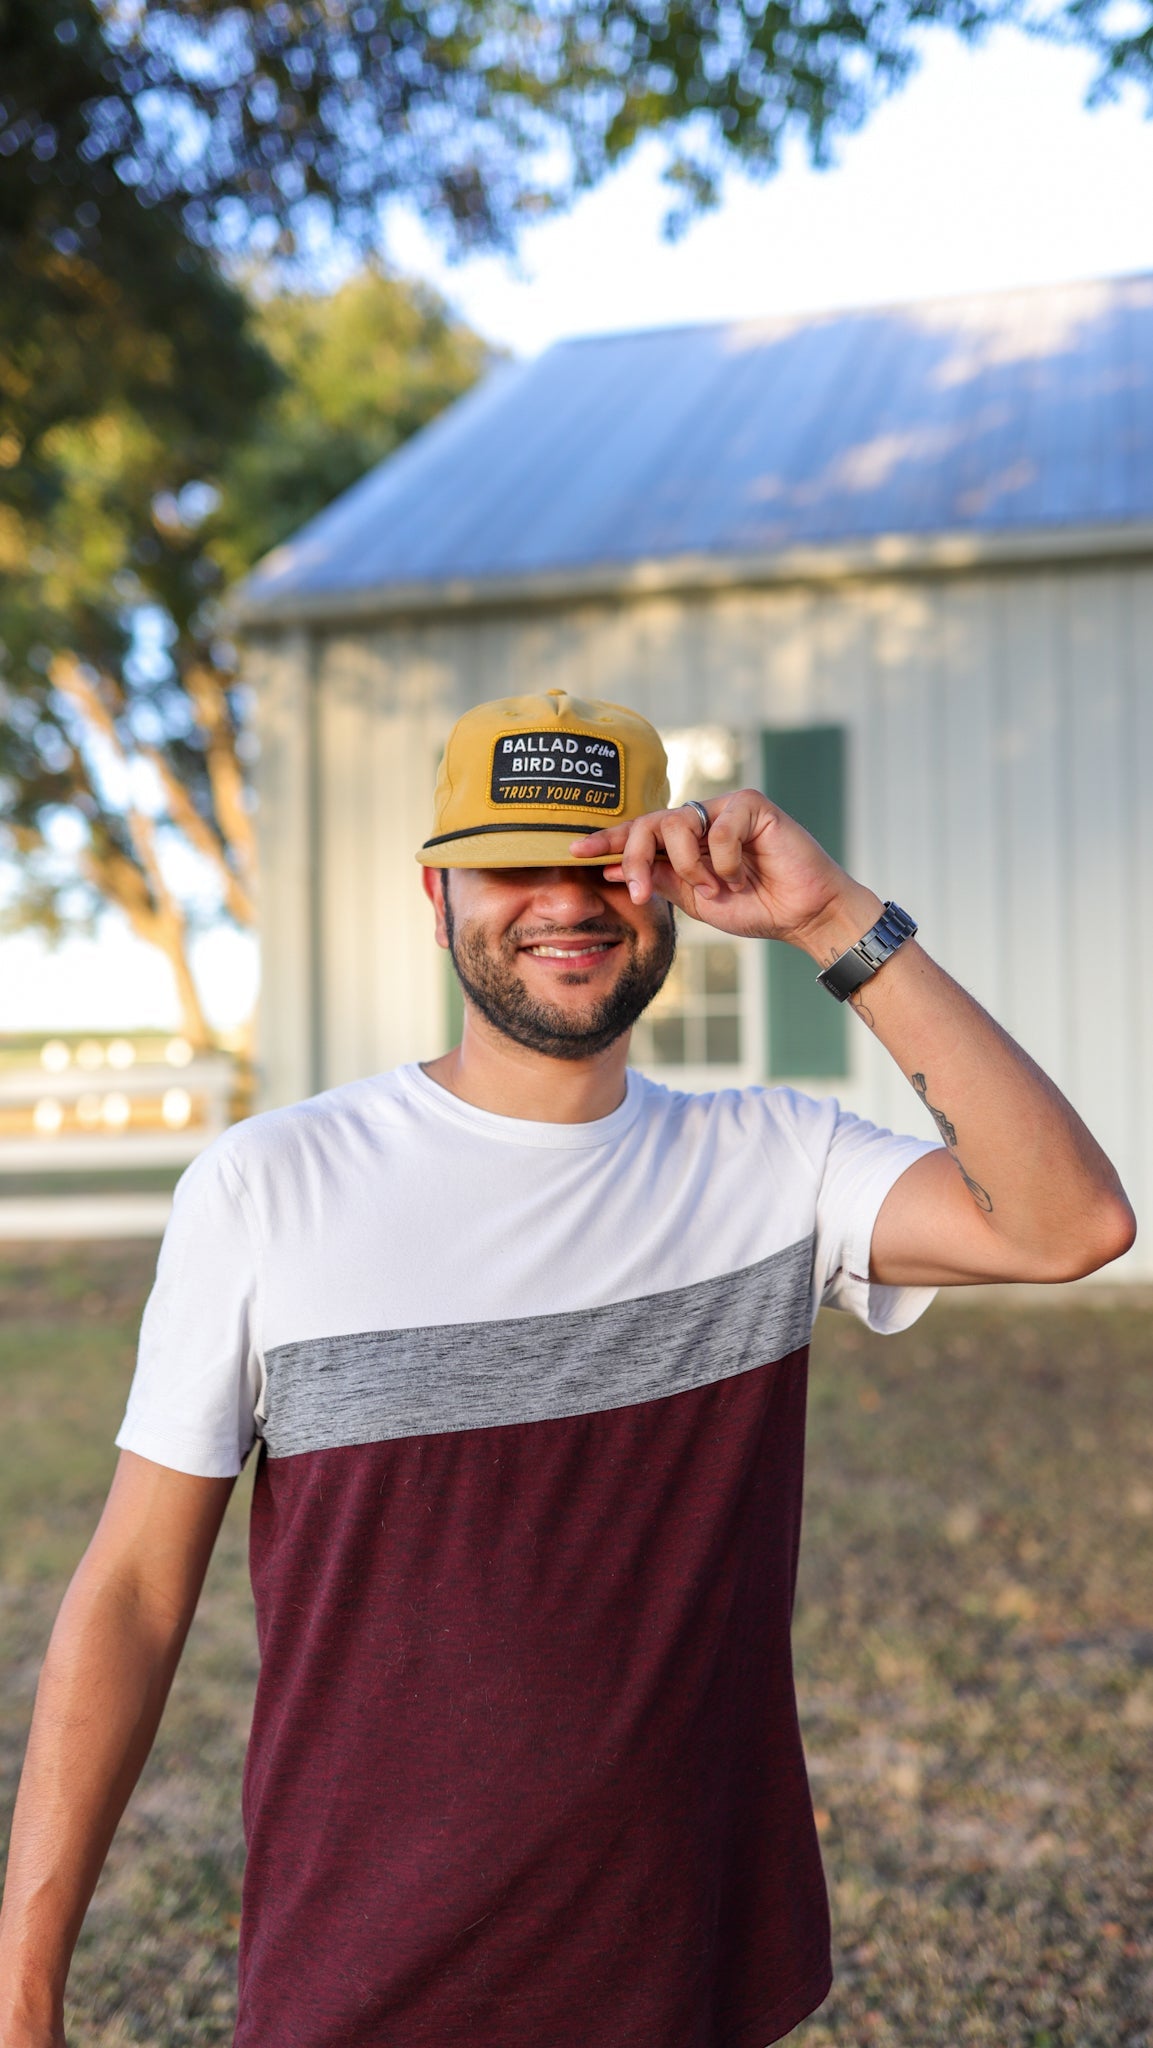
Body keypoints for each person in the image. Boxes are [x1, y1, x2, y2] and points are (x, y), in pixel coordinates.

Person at [0, 689, 1134, 2048]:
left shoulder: (773, 1163)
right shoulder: (271, 1185)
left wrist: (836, 918)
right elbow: (130, 1592)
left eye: (603, 862)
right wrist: (23, 1998)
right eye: (509, 865)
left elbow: (1071, 1223)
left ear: (666, 882)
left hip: (688, 1975)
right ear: (438, 898)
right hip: (361, 1984)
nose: (563, 902)